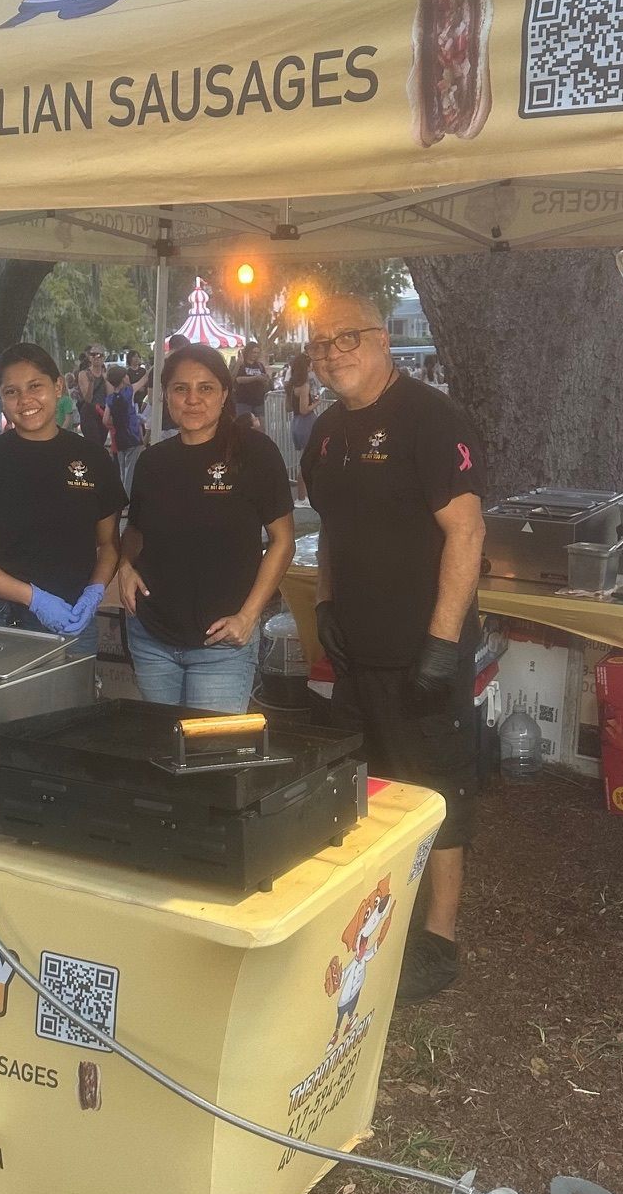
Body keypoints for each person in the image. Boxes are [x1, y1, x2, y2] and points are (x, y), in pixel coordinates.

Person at [302, 295, 486, 1003]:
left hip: (423, 648)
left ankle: (438, 938)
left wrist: (442, 642)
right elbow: (334, 532)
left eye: (346, 338)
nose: (332, 353)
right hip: (356, 650)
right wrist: (323, 603)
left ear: (382, 341)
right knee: (367, 785)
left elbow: (466, 534)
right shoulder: (324, 433)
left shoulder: (431, 420)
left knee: (437, 788)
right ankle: (378, 912)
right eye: (320, 345)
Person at [119, 343, 294, 710]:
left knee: (212, 758)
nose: (193, 399)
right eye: (181, 388)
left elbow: (282, 541)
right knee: (164, 751)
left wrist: (249, 616)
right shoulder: (153, 462)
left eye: (206, 388)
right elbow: (136, 532)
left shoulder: (255, 453)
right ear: (165, 395)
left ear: (225, 393)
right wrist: (124, 567)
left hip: (223, 644)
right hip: (151, 638)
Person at [0, 343, 125, 653]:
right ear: (0, 400)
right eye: (11, 392)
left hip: (72, 616)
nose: (25, 400)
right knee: (2, 703)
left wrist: (95, 590)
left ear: (57, 387)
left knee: (71, 702)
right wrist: (34, 598)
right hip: (1, 617)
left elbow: (109, 544)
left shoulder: (92, 458)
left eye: (35, 386)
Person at [105, 363, 144, 492]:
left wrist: (115, 423)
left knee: (122, 471)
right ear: (123, 378)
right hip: (133, 436)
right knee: (131, 471)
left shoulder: (110, 399)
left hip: (119, 437)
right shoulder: (128, 392)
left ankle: (121, 496)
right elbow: (144, 380)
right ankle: (127, 500)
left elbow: (105, 420)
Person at [285, 351, 317, 502]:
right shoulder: (304, 385)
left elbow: (289, 408)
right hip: (306, 423)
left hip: (296, 423)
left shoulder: (292, 385)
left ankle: (303, 496)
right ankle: (302, 497)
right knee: (306, 461)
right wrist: (316, 403)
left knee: (304, 460)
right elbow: (305, 410)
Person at [75, 345, 110, 447]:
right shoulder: (84, 374)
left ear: (103, 358)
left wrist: (106, 379)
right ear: (89, 357)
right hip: (90, 411)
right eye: (93, 355)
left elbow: (110, 396)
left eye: (99, 355)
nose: (96, 357)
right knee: (94, 443)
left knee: (102, 442)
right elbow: (88, 399)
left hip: (103, 411)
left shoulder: (106, 375)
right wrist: (91, 383)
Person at [232, 339, 271, 426]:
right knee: (243, 426)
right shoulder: (241, 365)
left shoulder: (260, 365)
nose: (255, 355)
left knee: (262, 425)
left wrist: (265, 379)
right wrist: (255, 378)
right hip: (244, 401)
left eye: (257, 353)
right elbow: (238, 379)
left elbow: (265, 380)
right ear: (248, 352)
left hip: (259, 401)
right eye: (253, 352)